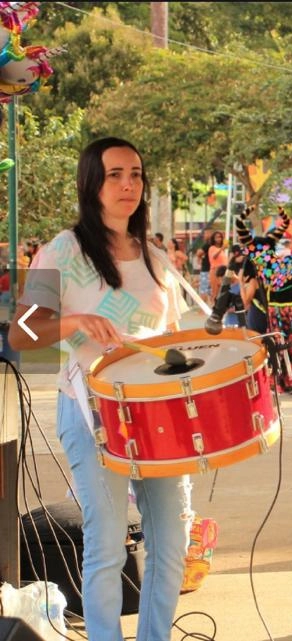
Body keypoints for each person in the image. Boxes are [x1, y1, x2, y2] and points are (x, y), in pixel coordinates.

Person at [8, 137, 193, 641]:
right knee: (108, 546)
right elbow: (21, 334)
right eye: (115, 174)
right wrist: (74, 322)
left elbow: (173, 341)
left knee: (172, 542)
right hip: (91, 414)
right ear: (91, 183)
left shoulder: (156, 256)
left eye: (135, 173)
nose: (128, 184)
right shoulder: (61, 249)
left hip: (159, 417)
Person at [207, 230, 227, 303]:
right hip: (215, 271)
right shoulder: (212, 248)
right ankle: (214, 308)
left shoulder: (222, 250)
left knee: (222, 291)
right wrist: (222, 248)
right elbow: (214, 257)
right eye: (217, 237)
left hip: (223, 272)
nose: (219, 239)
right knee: (215, 291)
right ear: (213, 239)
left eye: (220, 237)